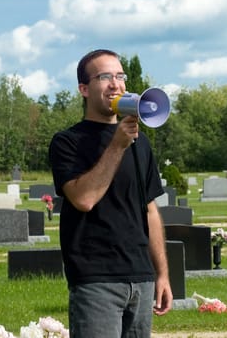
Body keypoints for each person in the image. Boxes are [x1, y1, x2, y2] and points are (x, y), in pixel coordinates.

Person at [48, 49, 172, 337]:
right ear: (83, 89)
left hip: (141, 279)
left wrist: (162, 274)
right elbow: (83, 199)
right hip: (96, 280)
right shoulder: (67, 142)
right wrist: (116, 145)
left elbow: (149, 210)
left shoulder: (140, 144)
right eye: (105, 77)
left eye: (120, 76)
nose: (115, 84)